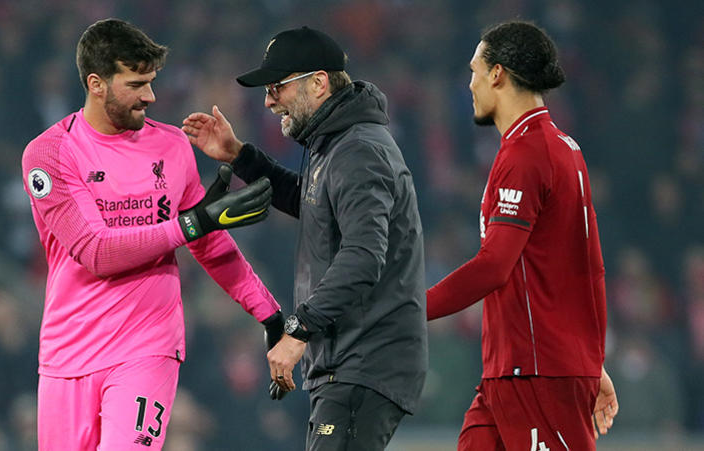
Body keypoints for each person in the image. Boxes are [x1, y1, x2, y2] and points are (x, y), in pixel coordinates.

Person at [21, 18, 285, 450]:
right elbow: (96, 252)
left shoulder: (172, 146)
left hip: (147, 347)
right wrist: (192, 223)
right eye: (137, 83)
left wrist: (269, 315)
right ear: (96, 83)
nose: (151, 95)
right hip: (67, 354)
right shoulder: (49, 154)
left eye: (152, 81)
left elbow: (209, 241)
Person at [182, 26, 427, 451]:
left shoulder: (359, 149)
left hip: (364, 359)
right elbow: (310, 202)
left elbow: (364, 255)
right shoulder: (335, 143)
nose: (268, 99)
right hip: (347, 358)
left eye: (277, 86)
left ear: (318, 82)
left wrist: (299, 330)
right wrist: (240, 156)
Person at [425, 21, 619, 450]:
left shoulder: (528, 155)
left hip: (539, 376)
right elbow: (588, 268)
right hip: (510, 374)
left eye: (474, 71)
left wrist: (410, 307)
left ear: (497, 74)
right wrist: (591, 359)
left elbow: (494, 266)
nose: (470, 83)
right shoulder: (561, 147)